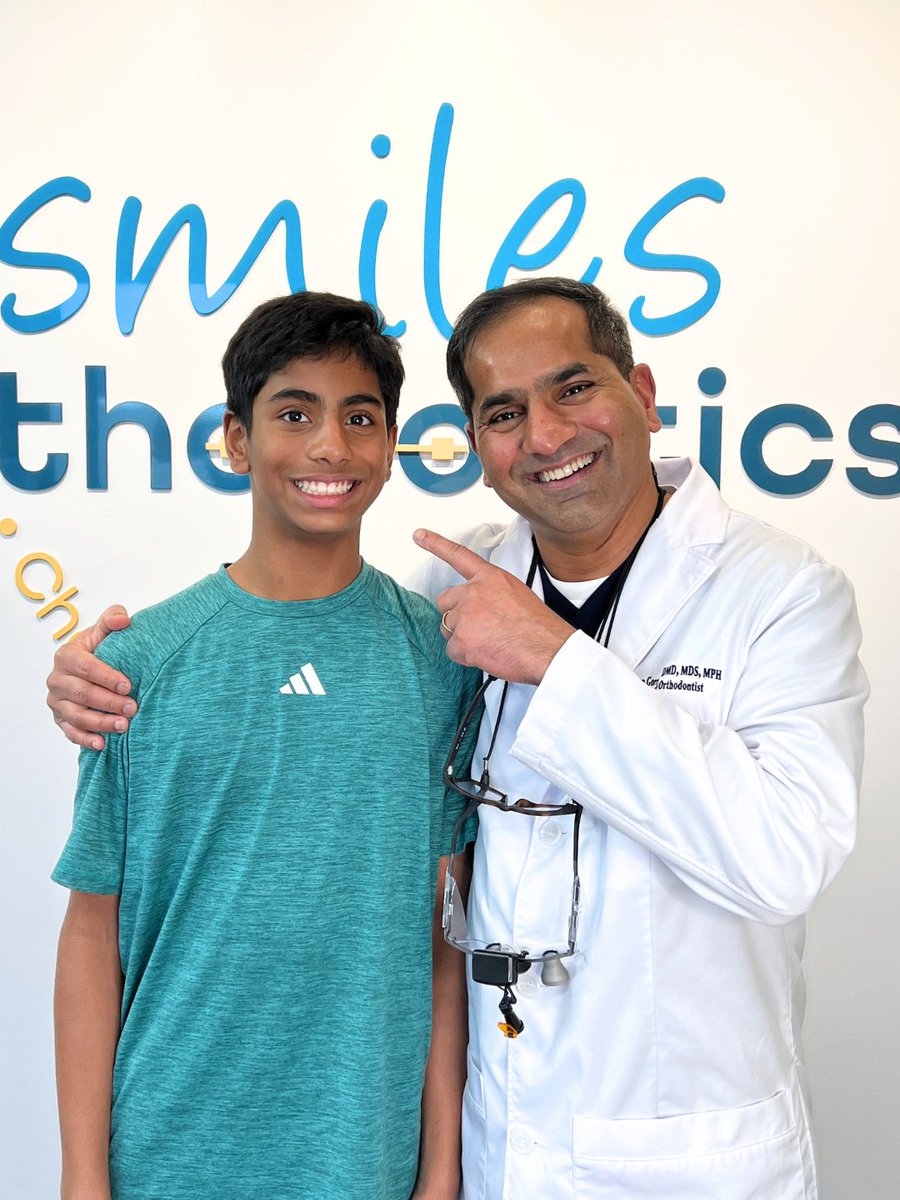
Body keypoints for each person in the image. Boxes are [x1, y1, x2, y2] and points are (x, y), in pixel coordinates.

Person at [49, 278, 868, 1200]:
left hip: (685, 1150)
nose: (548, 436)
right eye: (506, 412)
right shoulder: (446, 598)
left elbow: (785, 856)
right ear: (475, 446)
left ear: (641, 393)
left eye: (574, 388)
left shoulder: (786, 595)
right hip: (492, 1141)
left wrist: (559, 665)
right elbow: (293, 637)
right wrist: (89, 678)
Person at [50, 291, 479, 1200]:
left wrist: (440, 1168)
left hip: (362, 1156)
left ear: (393, 443)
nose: (331, 447)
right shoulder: (137, 664)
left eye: (361, 417)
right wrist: (82, 1179)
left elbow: (446, 938)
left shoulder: (437, 666)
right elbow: (93, 934)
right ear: (238, 441)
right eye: (295, 413)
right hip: (167, 1153)